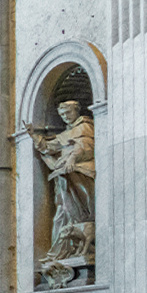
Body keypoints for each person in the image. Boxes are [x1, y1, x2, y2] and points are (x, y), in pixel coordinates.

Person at [25, 100, 96, 261]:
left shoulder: (85, 127)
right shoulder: (67, 132)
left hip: (80, 175)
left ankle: (82, 248)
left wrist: (72, 158)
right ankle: (58, 253)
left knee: (75, 211)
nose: (65, 117)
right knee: (61, 214)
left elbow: (86, 146)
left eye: (68, 113)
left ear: (76, 111)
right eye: (62, 115)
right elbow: (49, 147)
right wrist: (33, 135)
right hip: (64, 177)